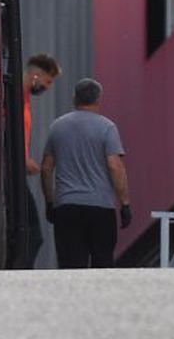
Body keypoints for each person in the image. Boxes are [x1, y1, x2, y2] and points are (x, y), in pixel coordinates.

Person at [40, 78, 132, 268]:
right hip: (100, 208)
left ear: (75, 98)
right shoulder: (107, 128)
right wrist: (124, 204)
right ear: (99, 99)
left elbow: (46, 168)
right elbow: (115, 167)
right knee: (102, 262)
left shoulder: (57, 127)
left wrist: (49, 201)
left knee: (70, 264)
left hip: (67, 207)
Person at [21, 53, 60, 268]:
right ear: (35, 75)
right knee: (33, 233)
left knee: (30, 233)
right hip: (14, 172)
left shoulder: (24, 98)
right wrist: (23, 160)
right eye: (47, 81)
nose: (48, 87)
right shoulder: (18, 96)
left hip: (18, 169)